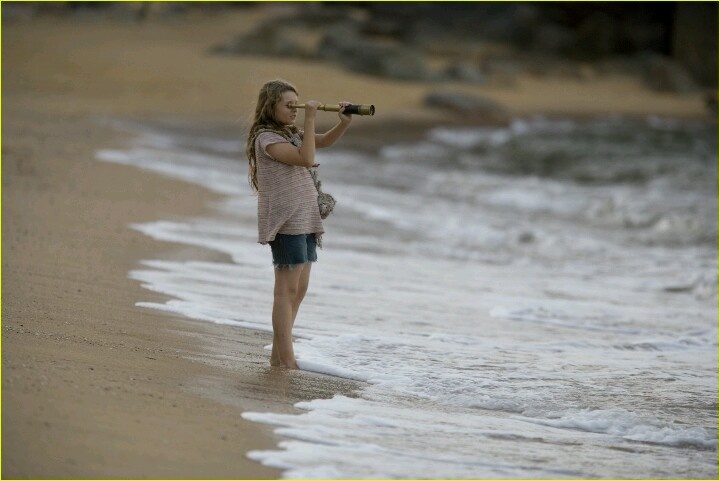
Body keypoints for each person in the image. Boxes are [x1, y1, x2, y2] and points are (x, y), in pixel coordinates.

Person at [245, 79, 353, 369]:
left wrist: (342, 123)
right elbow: (306, 158)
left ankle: (278, 354)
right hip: (286, 220)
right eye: (289, 105)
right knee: (286, 290)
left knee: (300, 288)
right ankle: (287, 359)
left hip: (306, 218)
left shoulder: (291, 134)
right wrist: (311, 114)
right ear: (271, 107)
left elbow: (323, 142)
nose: (295, 110)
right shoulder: (267, 138)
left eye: (298, 104)